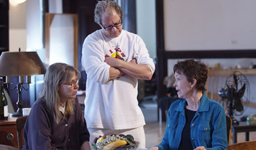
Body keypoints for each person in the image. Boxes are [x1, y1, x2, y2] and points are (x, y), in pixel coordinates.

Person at [81, 0, 155, 148]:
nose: (114, 30)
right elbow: (100, 75)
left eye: (117, 24)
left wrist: (116, 62)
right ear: (100, 24)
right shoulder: (92, 41)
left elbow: (147, 72)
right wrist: (132, 66)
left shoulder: (134, 40)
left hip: (131, 119)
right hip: (99, 121)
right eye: (108, 27)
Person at [149, 59, 227, 150]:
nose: (174, 84)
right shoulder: (174, 108)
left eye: (178, 79)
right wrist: (158, 148)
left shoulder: (216, 110)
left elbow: (221, 147)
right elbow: (166, 143)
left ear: (192, 83)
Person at [23, 63, 91, 150]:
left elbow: (83, 135)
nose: (77, 86)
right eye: (71, 83)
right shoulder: (40, 109)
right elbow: (43, 147)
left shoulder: (74, 101)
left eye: (76, 81)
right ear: (56, 85)